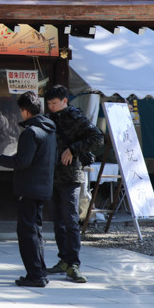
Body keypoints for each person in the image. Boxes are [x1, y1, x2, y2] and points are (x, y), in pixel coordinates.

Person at [44, 85, 103, 284]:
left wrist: (73, 149)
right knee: (58, 221)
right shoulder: (50, 118)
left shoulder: (75, 117)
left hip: (70, 177)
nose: (51, 106)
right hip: (53, 176)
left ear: (64, 100)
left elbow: (97, 138)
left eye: (54, 103)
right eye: (49, 103)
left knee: (70, 221)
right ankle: (63, 260)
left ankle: (74, 264)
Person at [0, 92, 56, 287]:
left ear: (24, 111)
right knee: (36, 231)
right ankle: (40, 271)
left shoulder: (30, 132)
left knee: (27, 233)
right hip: (43, 187)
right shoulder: (49, 130)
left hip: (29, 188)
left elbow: (22, 161)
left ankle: (35, 275)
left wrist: (1, 159)